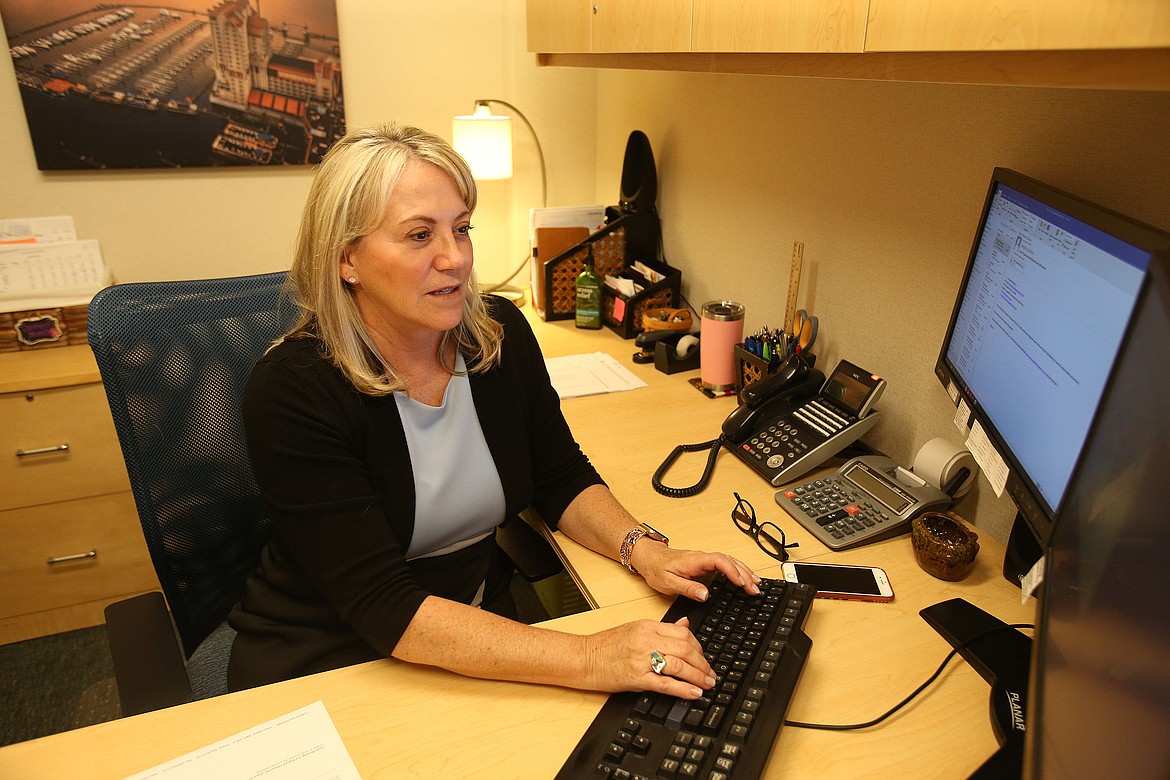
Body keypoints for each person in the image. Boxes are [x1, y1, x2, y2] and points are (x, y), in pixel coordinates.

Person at [227, 122, 761, 700]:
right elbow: (383, 604)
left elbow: (557, 474)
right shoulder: (295, 390)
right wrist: (590, 654)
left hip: (472, 635)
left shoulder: (495, 335)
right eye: (418, 236)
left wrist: (646, 551)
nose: (454, 259)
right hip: (333, 657)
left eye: (461, 230)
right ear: (346, 260)